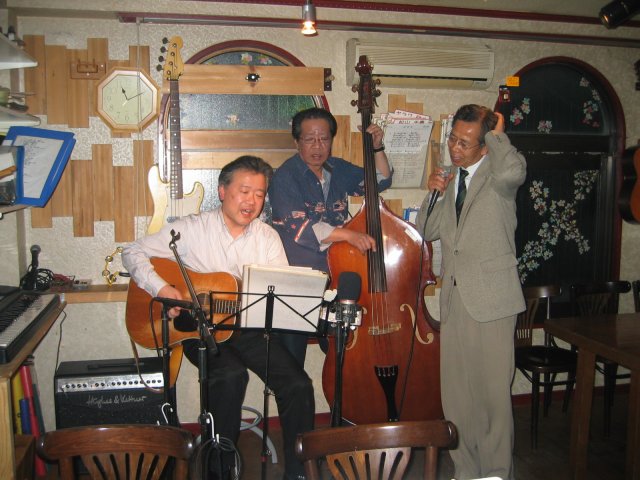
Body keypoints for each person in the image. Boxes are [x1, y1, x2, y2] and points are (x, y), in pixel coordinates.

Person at [122, 156, 314, 480]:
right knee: (230, 376)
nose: (252, 201)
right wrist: (164, 288)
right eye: (244, 191)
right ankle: (220, 470)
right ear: (223, 191)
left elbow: (279, 295)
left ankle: (299, 472)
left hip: (248, 331)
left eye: (259, 194)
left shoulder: (267, 237)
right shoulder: (192, 228)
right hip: (200, 330)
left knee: (298, 384)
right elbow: (132, 252)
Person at [415, 105, 526, 480]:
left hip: (493, 300)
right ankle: (466, 471)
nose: (455, 148)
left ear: (484, 145)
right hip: (455, 300)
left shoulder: (499, 175)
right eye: (452, 139)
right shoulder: (450, 179)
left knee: (493, 397)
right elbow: (426, 230)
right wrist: (433, 193)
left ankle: (496, 473)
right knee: (457, 396)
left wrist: (498, 134)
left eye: (465, 143)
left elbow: (513, 172)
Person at [268, 107, 393, 366]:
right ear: (297, 141)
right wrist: (348, 234)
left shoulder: (338, 169)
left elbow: (380, 180)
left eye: (324, 138)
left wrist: (377, 148)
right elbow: (301, 228)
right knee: (292, 363)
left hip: (335, 275)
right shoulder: (284, 177)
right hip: (297, 281)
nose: (318, 146)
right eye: (309, 139)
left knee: (343, 354)